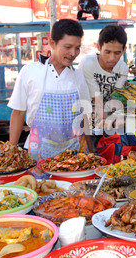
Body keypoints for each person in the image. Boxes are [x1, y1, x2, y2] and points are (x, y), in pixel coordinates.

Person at [8, 19, 92, 161]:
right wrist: (11, 151)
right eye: (67, 47)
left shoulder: (78, 76)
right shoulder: (30, 71)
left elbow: (85, 117)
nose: (73, 53)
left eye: (77, 48)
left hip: (75, 156)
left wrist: (92, 150)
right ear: (52, 43)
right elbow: (18, 113)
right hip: (39, 153)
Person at [78, 24, 129, 105]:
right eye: (107, 52)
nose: (112, 58)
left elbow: (115, 98)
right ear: (99, 47)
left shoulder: (123, 68)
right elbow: (96, 99)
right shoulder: (87, 63)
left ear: (124, 50)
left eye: (117, 53)